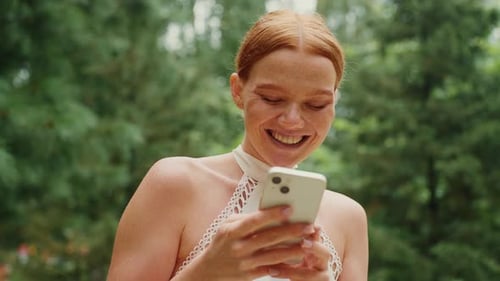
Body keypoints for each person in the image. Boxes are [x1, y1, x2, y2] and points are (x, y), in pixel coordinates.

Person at [106, 9, 368, 281]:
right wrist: (204, 272)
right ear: (238, 91)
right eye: (272, 99)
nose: (292, 121)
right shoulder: (175, 184)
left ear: (334, 103)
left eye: (316, 104)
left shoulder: (349, 218)